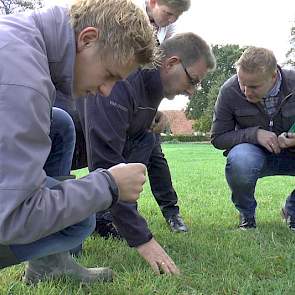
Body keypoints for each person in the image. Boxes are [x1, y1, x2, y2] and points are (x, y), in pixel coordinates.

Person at [0, 0, 159, 284]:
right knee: (77, 219)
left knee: (59, 124)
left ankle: (48, 264)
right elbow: (12, 217)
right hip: (8, 216)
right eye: (109, 75)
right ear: (87, 39)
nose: (105, 91)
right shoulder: (24, 83)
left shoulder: (23, 40)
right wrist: (107, 186)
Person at [73, 32, 215, 274]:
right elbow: (107, 165)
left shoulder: (155, 89)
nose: (192, 91)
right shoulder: (122, 82)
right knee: (66, 243)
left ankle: (102, 218)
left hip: (91, 145)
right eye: (193, 80)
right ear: (171, 63)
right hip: (57, 143)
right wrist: (143, 240)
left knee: (149, 138)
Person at [211, 46, 295, 230]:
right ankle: (247, 217)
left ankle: (293, 210)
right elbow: (218, 137)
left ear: (273, 76)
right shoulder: (229, 91)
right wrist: (255, 134)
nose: (246, 91)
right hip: (253, 154)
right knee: (240, 160)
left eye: (254, 86)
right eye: (242, 83)